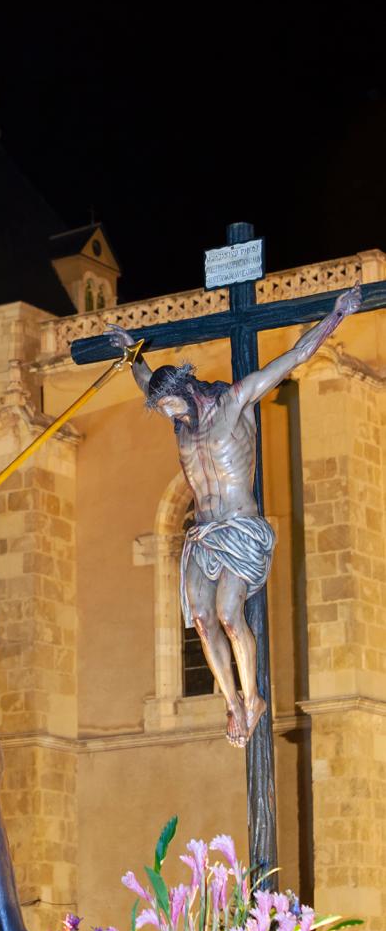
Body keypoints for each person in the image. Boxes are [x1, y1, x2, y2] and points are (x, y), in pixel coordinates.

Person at [107, 283, 362, 747]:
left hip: (240, 528)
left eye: (171, 405)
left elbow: (294, 357)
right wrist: (131, 353)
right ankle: (232, 703)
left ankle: (253, 698)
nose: (170, 415)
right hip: (203, 533)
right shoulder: (179, 418)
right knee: (202, 619)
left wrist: (336, 314)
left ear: (187, 390)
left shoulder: (233, 402)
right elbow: (147, 381)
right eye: (164, 409)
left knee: (228, 613)